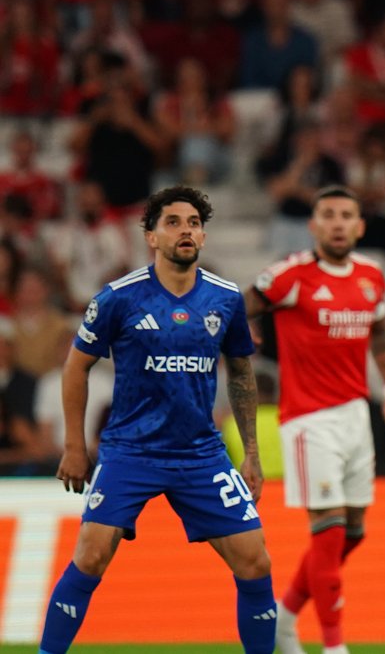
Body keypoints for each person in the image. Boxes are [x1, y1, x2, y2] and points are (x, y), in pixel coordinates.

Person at [40, 186, 275, 654]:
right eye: (173, 222)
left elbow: (241, 373)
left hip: (201, 454)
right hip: (131, 450)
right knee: (91, 554)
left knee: (256, 563)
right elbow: (75, 367)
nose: (185, 231)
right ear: (151, 236)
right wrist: (74, 446)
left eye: (194, 223)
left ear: (202, 237)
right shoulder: (119, 298)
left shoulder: (226, 299)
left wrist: (250, 453)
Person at [244, 186, 385, 654]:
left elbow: (382, 332)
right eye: (329, 215)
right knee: (329, 530)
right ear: (313, 225)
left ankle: (284, 617)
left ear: (360, 226)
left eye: (346, 215)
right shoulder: (290, 275)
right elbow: (241, 305)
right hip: (308, 419)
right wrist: (242, 331)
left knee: (352, 533)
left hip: (356, 414)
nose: (338, 223)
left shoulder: (371, 276)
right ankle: (334, 646)